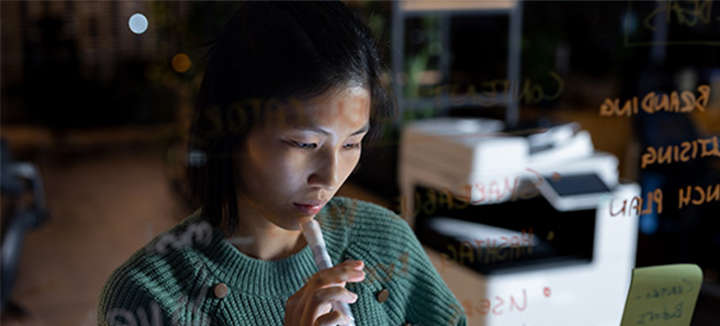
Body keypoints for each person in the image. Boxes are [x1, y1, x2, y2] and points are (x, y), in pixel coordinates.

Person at [97, 1, 466, 325]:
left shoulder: (385, 243)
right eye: (304, 144)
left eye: (352, 143)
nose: (330, 176)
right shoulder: (150, 294)